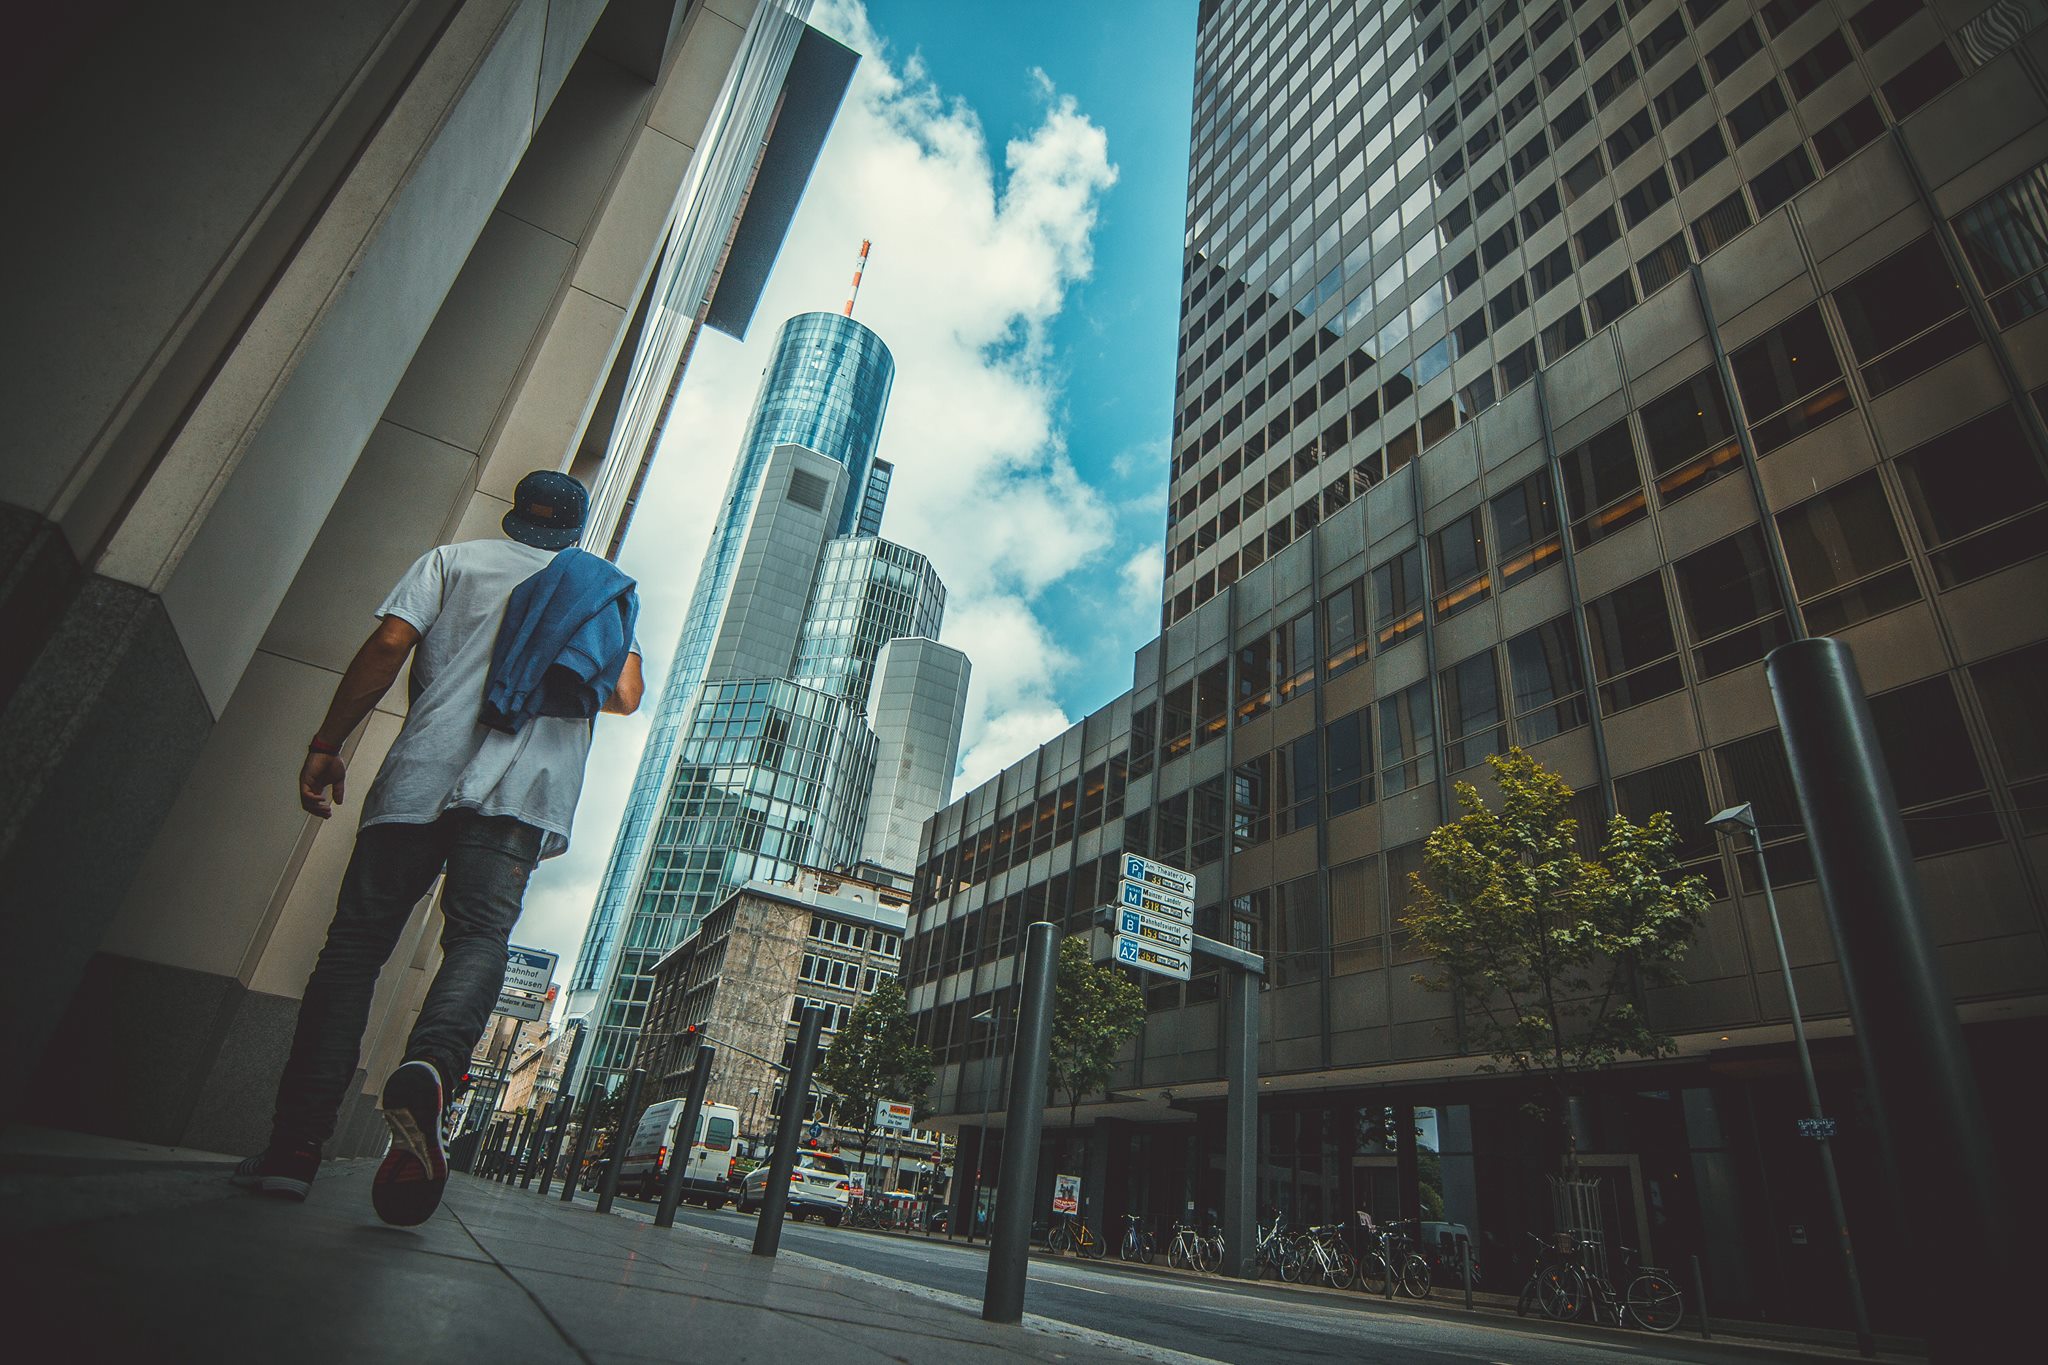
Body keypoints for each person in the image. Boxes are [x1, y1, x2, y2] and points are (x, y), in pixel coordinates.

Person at [232, 471, 642, 1227]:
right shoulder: (595, 587)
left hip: (421, 775)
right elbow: (624, 694)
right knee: (479, 936)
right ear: (575, 531)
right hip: (519, 794)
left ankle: (294, 1149)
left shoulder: (453, 560)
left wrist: (330, 741)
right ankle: (433, 1067)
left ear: (514, 515)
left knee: (354, 951)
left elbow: (390, 642)